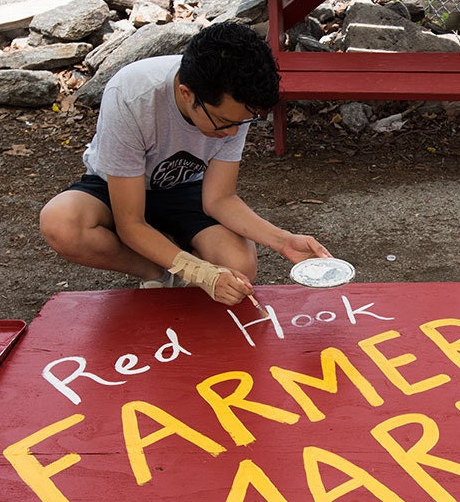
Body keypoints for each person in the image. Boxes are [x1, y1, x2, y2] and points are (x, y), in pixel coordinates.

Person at [39, 21, 331, 306]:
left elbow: (220, 198)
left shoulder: (236, 101)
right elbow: (130, 224)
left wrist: (283, 241)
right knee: (62, 223)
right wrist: (198, 271)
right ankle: (157, 271)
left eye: (240, 123)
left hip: (183, 186)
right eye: (224, 122)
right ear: (186, 94)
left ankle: (170, 253)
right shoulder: (132, 95)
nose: (232, 132)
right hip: (116, 187)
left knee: (240, 265)